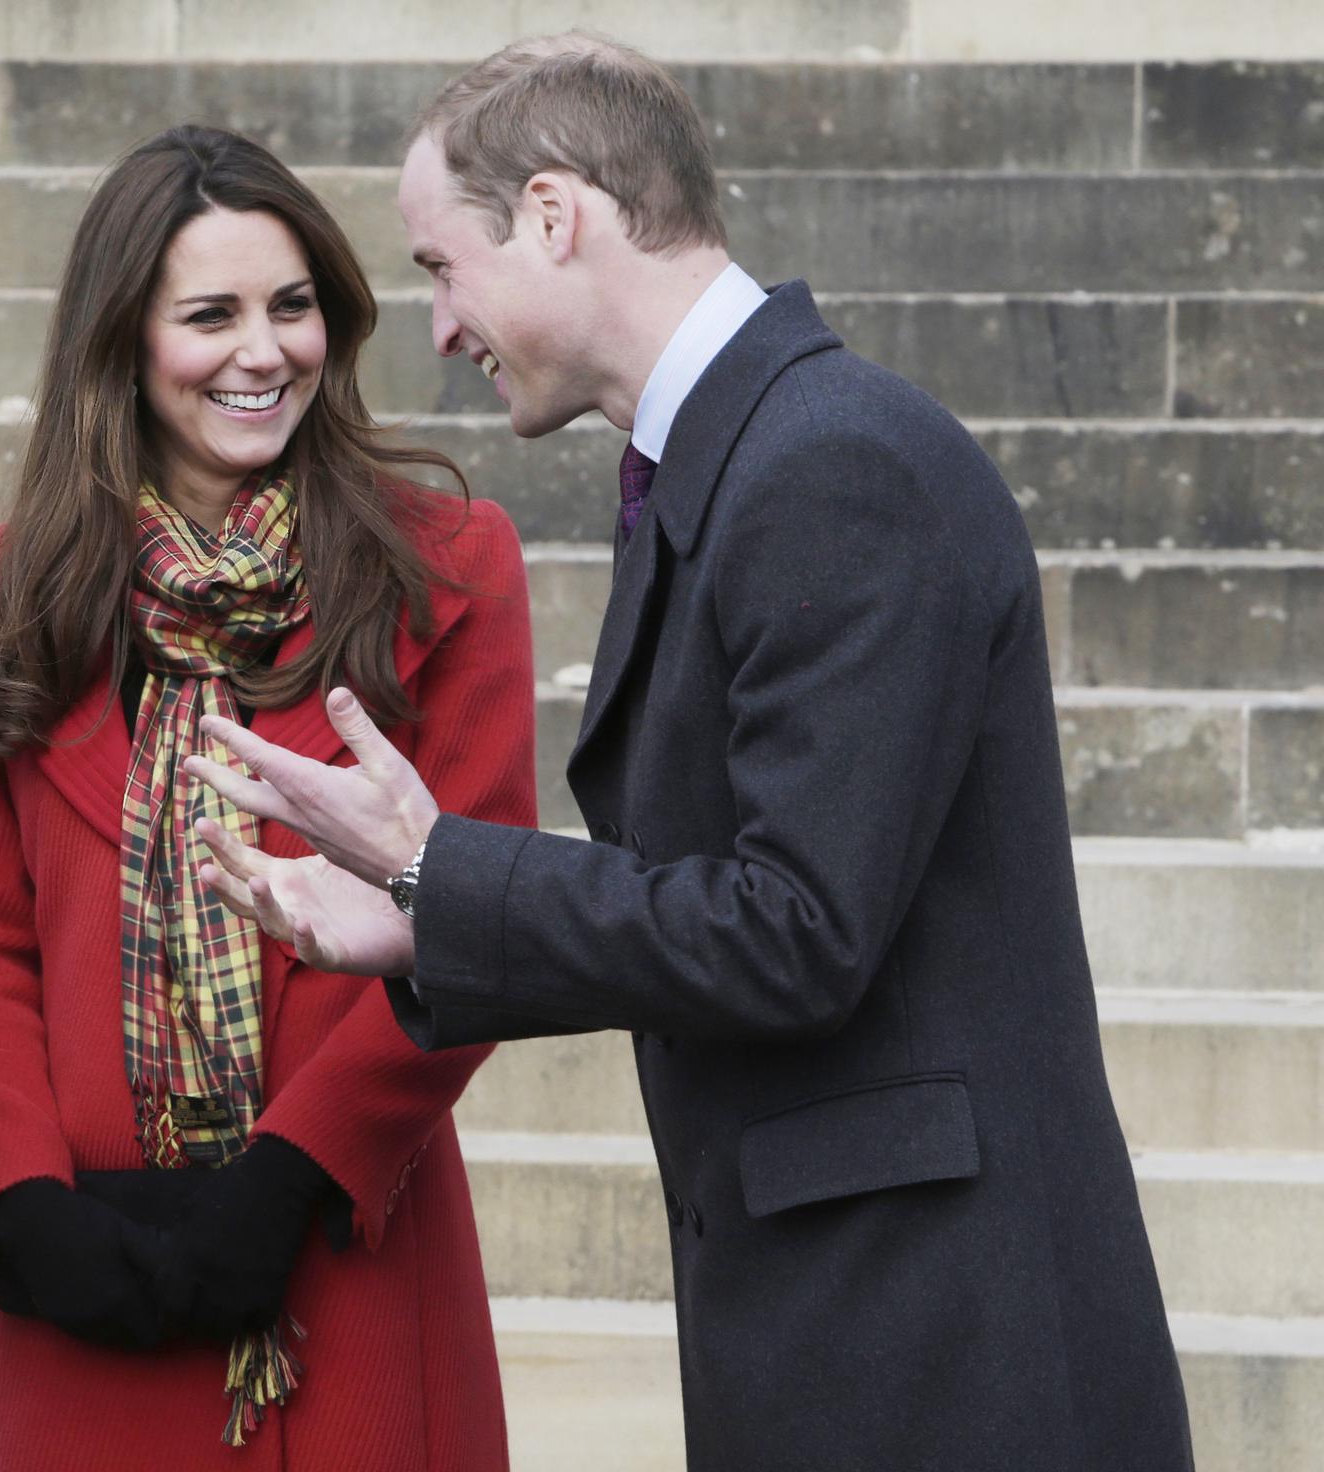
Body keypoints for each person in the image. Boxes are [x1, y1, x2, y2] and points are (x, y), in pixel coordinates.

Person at [187, 34, 1196, 1472]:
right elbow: (725, 901)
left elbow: (796, 932)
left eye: (437, 267)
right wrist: (426, 920)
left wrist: (436, 869)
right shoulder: (743, 455)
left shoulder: (834, 463)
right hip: (851, 1323)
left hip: (944, 1354)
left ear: (553, 215)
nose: (441, 329)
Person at [0, 125, 536, 1469]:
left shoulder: (453, 567)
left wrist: (291, 1177)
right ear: (125, 340)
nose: (266, 352)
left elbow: (481, 918)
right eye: (212, 315)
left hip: (347, 1254)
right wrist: (18, 1202)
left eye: (292, 306)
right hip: (88, 1283)